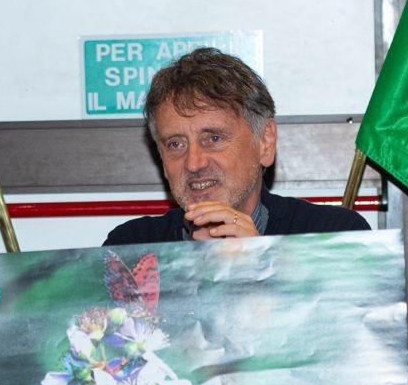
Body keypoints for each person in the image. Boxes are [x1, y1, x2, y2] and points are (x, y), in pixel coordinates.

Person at [104, 47, 370, 245]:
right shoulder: (131, 247)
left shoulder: (333, 239)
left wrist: (259, 265)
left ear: (265, 141)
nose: (194, 163)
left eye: (214, 139)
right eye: (176, 144)